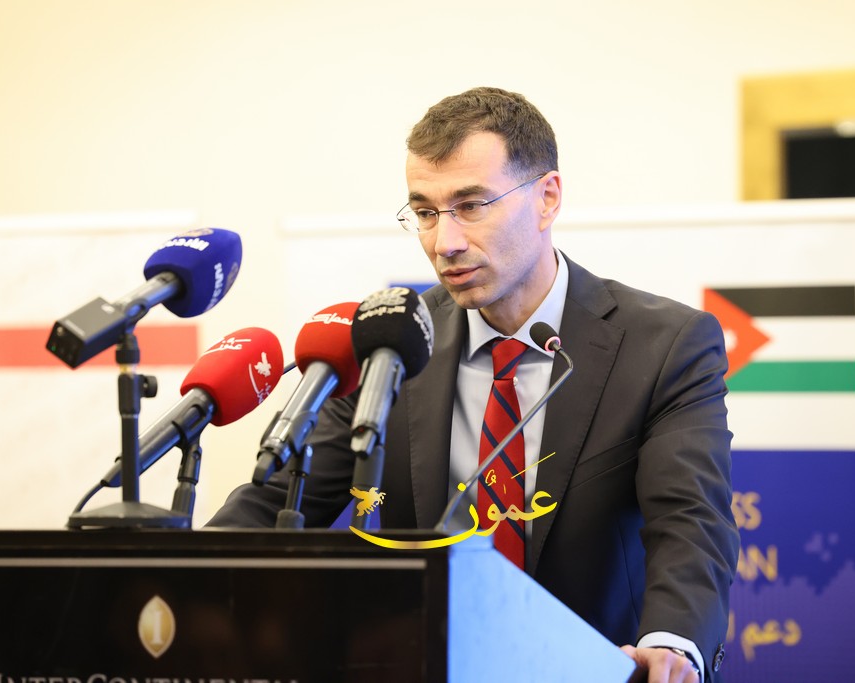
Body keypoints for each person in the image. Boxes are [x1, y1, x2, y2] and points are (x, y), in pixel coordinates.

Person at [210, 87, 739, 682]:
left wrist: (671, 644)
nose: (445, 243)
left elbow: (690, 522)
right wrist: (182, 585)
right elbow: (277, 504)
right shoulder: (391, 345)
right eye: (425, 213)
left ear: (547, 198)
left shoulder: (663, 345)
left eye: (471, 205)